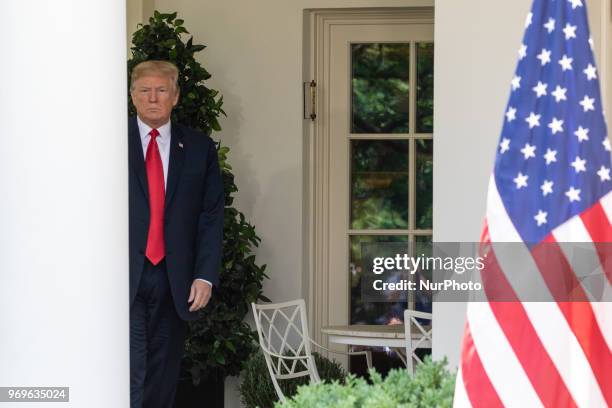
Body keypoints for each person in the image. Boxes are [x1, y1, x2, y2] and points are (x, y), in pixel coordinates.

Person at [128, 60, 224, 408]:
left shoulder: (198, 148)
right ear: (132, 95)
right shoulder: (106, 143)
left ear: (176, 96)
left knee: (163, 374)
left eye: (161, 90)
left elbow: (211, 215)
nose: (153, 98)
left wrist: (204, 275)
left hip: (175, 279)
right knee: (129, 371)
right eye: (145, 90)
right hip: (123, 277)